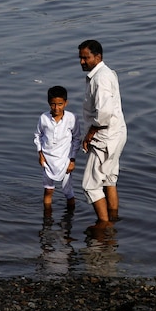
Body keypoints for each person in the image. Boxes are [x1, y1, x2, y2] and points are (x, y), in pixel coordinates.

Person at [78, 40, 127, 225]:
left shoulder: (100, 78)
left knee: (90, 186)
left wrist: (90, 133)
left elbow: (104, 113)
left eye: (86, 58)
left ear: (98, 57)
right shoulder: (107, 73)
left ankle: (105, 227)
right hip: (116, 133)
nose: (82, 62)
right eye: (81, 58)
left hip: (105, 137)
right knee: (109, 179)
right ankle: (113, 218)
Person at [34, 85, 81, 211]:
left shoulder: (72, 118)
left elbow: (76, 139)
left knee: (68, 192)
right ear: (49, 103)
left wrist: (72, 160)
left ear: (66, 103)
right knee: (48, 191)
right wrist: (40, 154)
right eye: (53, 104)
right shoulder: (44, 118)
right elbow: (38, 136)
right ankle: (47, 221)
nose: (56, 108)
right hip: (48, 160)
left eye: (60, 104)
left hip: (65, 160)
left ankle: (70, 220)